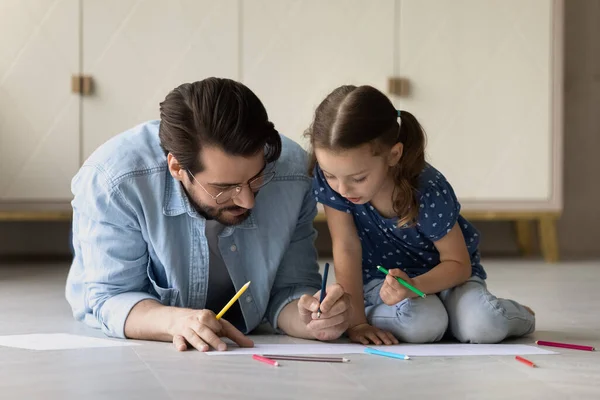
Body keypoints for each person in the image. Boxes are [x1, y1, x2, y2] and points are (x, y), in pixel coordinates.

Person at [66, 77, 350, 351]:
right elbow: (112, 297)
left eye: (256, 178)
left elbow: (290, 289)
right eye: (224, 188)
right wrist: (175, 321)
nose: (248, 201)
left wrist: (312, 320)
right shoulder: (114, 181)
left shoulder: (292, 173)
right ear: (177, 168)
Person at [306, 84, 535, 345]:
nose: (343, 189)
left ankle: (514, 314)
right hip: (382, 286)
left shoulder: (426, 188)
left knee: (484, 325)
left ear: (393, 154)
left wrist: (414, 285)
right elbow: (346, 247)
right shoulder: (335, 185)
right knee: (423, 326)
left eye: (358, 178)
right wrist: (357, 323)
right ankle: (448, 320)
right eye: (330, 175)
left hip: (447, 281)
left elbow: (459, 265)